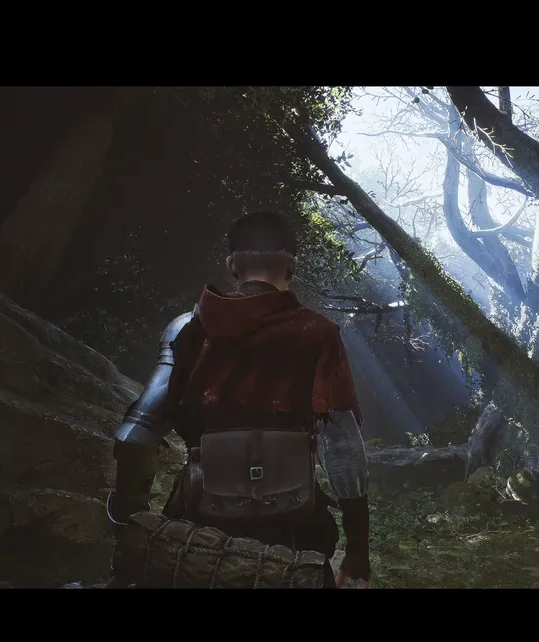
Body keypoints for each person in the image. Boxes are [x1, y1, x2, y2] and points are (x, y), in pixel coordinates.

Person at [107, 211, 371, 588]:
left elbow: (135, 437)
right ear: (293, 266)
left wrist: (130, 521)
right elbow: (343, 449)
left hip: (197, 524)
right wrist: (357, 551)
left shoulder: (187, 329)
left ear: (232, 265)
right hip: (295, 530)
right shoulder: (318, 333)